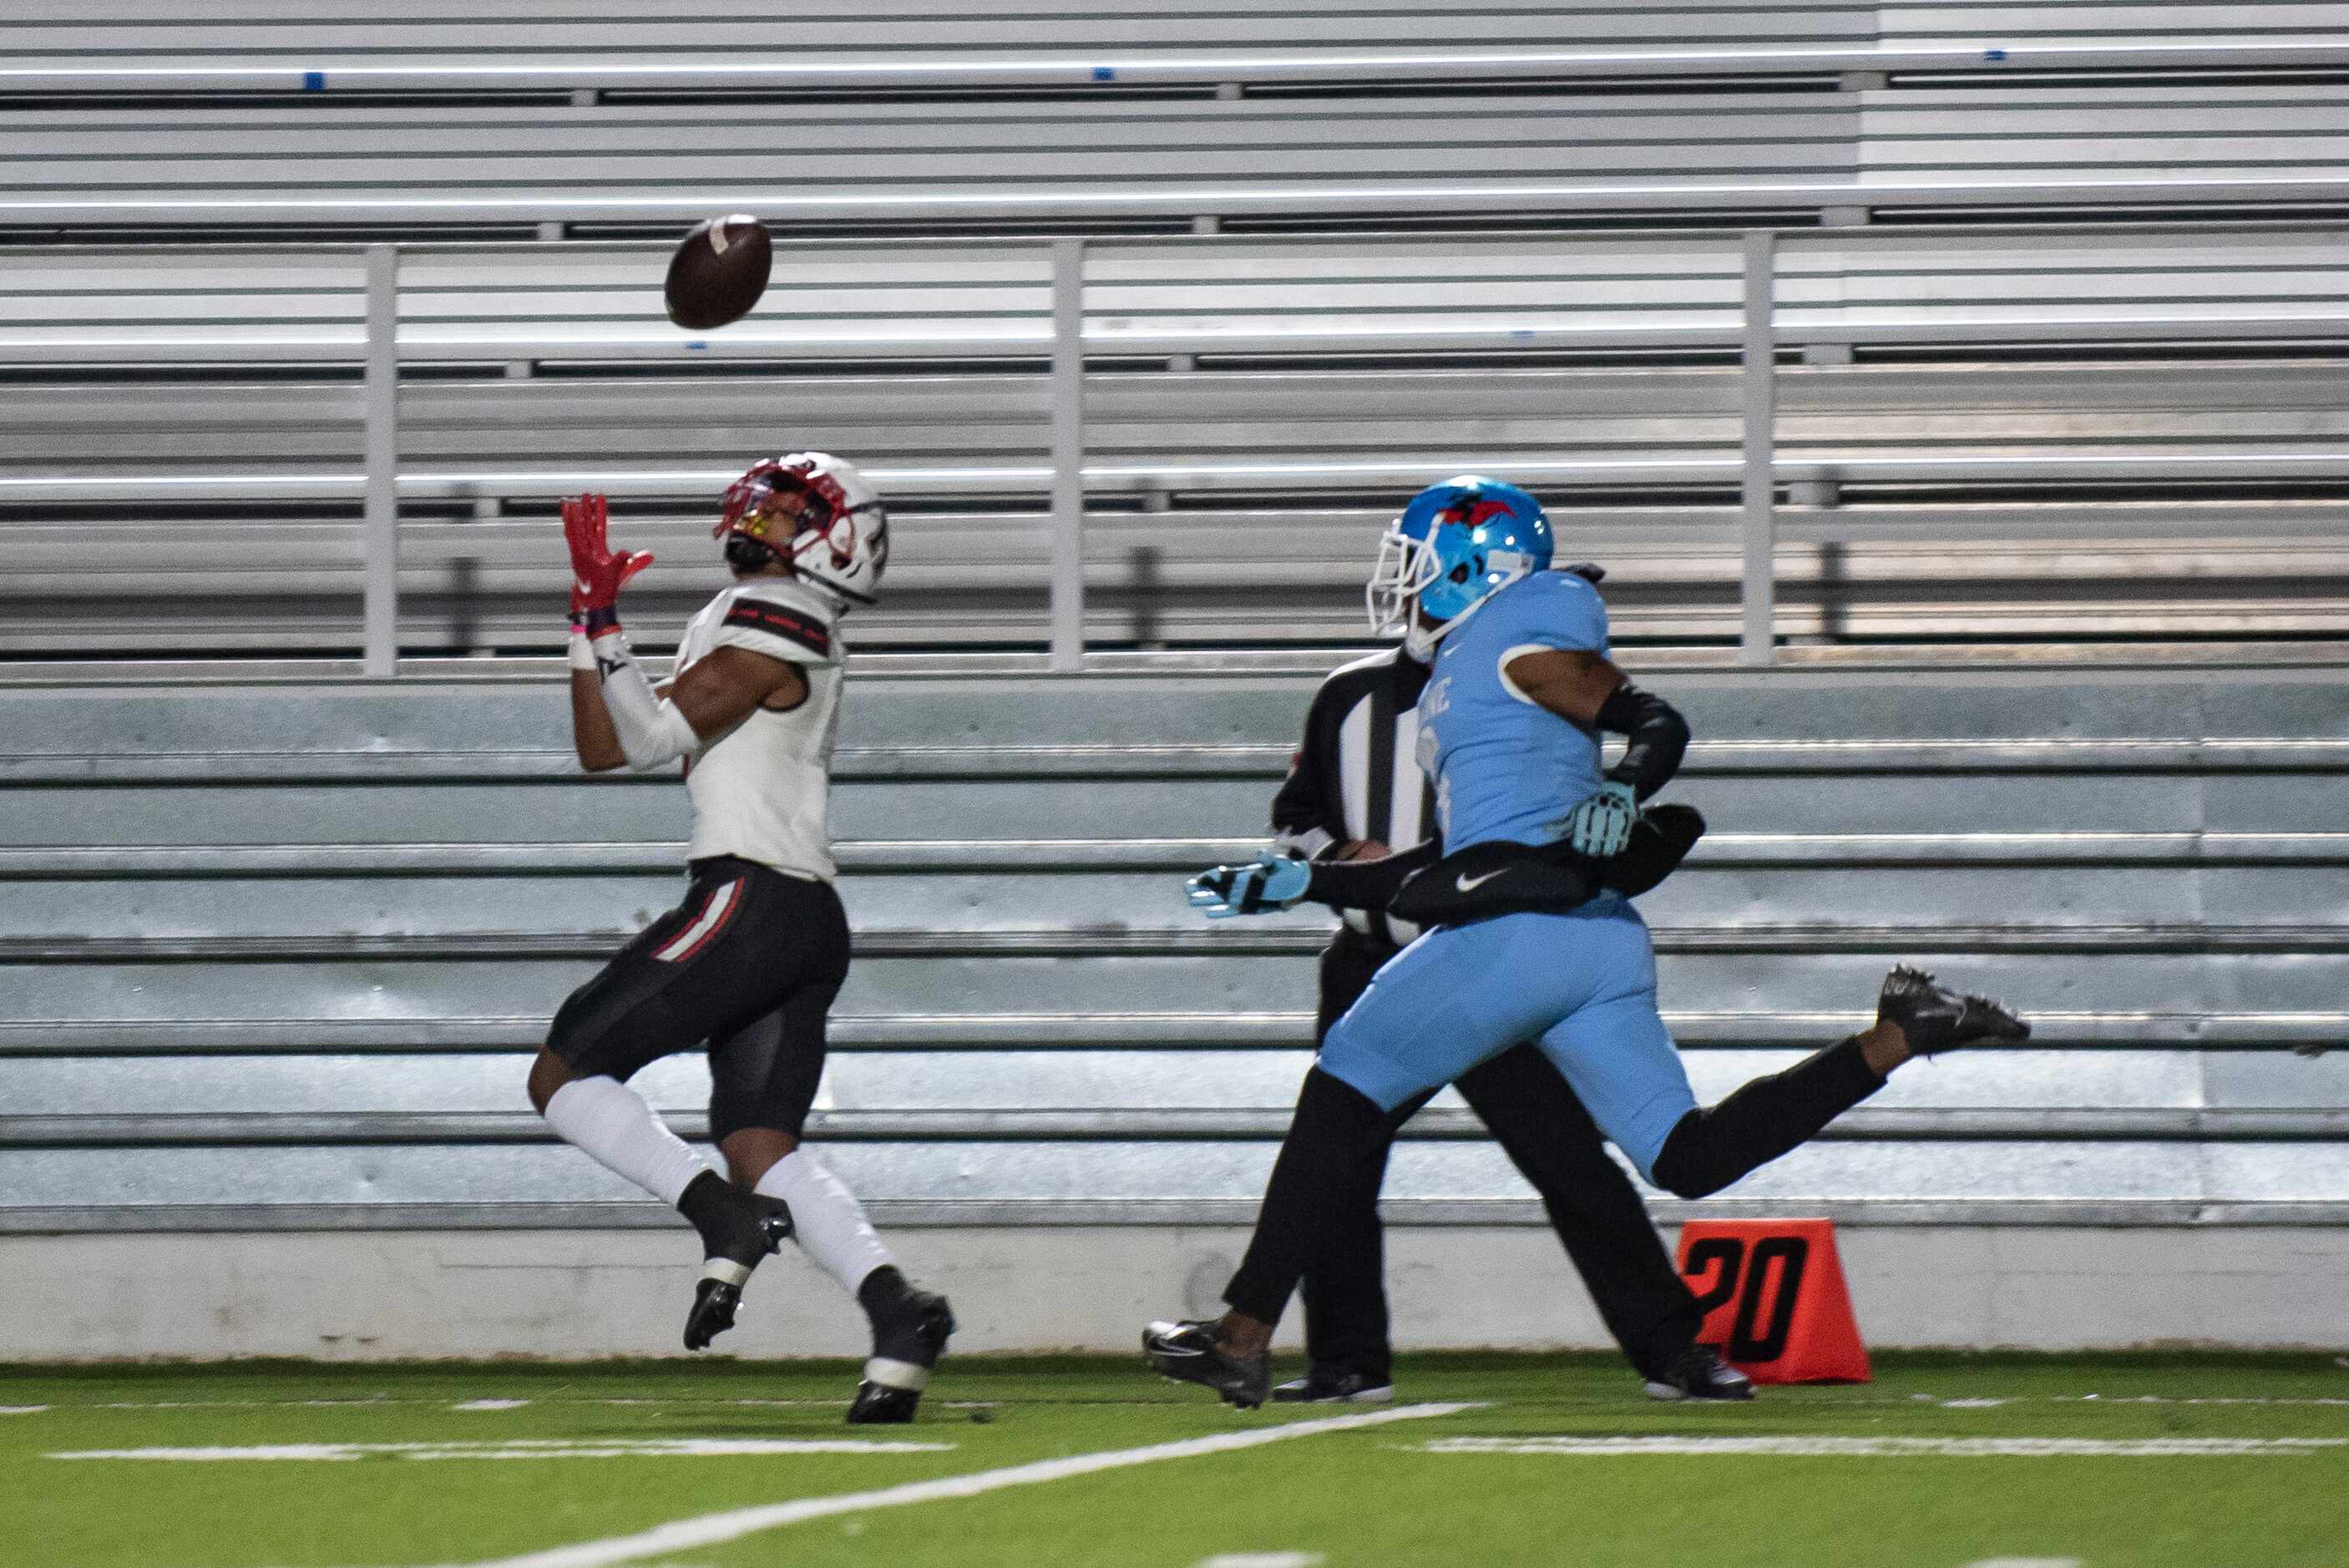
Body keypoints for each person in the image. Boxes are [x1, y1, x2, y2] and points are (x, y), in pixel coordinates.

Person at [1147, 475, 2028, 1409]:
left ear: (1471, 566)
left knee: (1343, 1087)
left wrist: (1624, 788)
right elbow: (1457, 862)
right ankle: (1896, 1033)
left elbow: (1651, 720)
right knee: (1684, 1158)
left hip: (1510, 941)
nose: (1403, 584)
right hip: (1590, 940)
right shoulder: (1474, 671)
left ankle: (1241, 1338)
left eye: (1416, 564)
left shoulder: (1509, 640)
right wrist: (1304, 878)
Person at [524, 454, 952, 1424]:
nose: (760, 514)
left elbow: (638, 741)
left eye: (789, 507)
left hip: (750, 898)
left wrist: (602, 628)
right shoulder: (764, 614)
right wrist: (590, 623)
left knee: (563, 1072)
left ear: (833, 537)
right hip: (795, 912)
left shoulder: (783, 613)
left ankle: (721, 1215)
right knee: (761, 1146)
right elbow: (608, 745)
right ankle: (898, 1317)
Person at [1260, 573, 1733, 1404]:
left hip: (1493, 950)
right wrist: (1334, 858)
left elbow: (1593, 757)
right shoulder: (1346, 692)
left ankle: (1671, 1348)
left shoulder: (1517, 674)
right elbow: (1293, 813)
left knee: (1566, 1159)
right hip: (1373, 952)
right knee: (1336, 1165)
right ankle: (1343, 1359)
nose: (1414, 604)